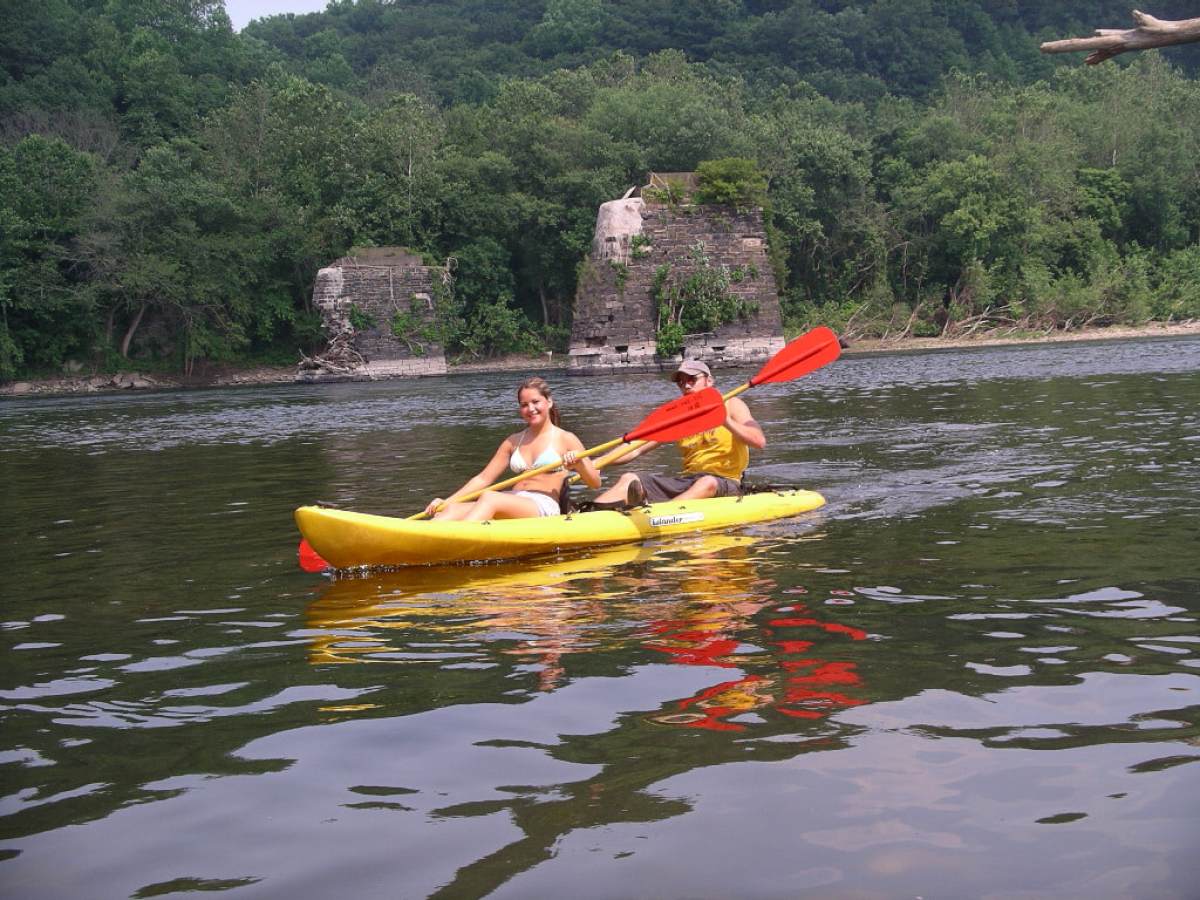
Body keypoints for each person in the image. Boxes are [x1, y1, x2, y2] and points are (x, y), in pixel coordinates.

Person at [591, 359, 765, 508]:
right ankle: (587, 516)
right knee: (629, 478)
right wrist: (599, 463)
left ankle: (661, 514)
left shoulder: (733, 404)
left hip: (727, 482)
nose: (686, 385)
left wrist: (726, 421)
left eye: (691, 379)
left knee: (707, 483)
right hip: (688, 481)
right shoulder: (680, 416)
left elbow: (758, 441)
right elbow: (636, 448)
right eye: (681, 382)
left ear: (709, 381)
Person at [425, 376, 602, 521]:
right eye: (524, 405)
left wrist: (579, 465)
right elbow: (483, 479)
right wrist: (447, 502)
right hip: (514, 498)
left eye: (535, 402)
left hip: (544, 506)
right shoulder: (513, 441)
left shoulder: (565, 438)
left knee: (490, 497)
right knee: (452, 511)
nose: (530, 409)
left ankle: (456, 541)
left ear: (548, 402)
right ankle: (424, 540)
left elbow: (595, 483)